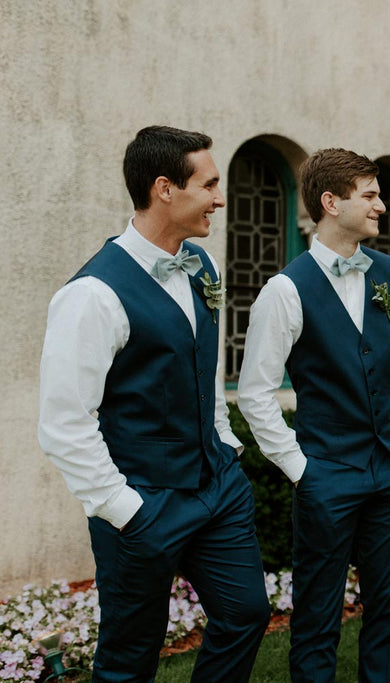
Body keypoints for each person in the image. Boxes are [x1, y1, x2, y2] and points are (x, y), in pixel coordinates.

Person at [37, 125, 270, 682]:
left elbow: (204, 370)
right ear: (165, 188)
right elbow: (64, 422)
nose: (220, 198)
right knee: (128, 658)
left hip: (216, 486)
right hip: (142, 501)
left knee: (246, 614)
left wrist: (225, 441)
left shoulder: (202, 268)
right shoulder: (92, 295)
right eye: (209, 184)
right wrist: (123, 509)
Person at [237, 147, 390, 682]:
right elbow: (255, 393)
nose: (380, 207)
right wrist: (302, 468)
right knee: (317, 616)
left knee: (389, 610)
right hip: (327, 474)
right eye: (370, 196)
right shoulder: (284, 291)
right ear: (331, 202)